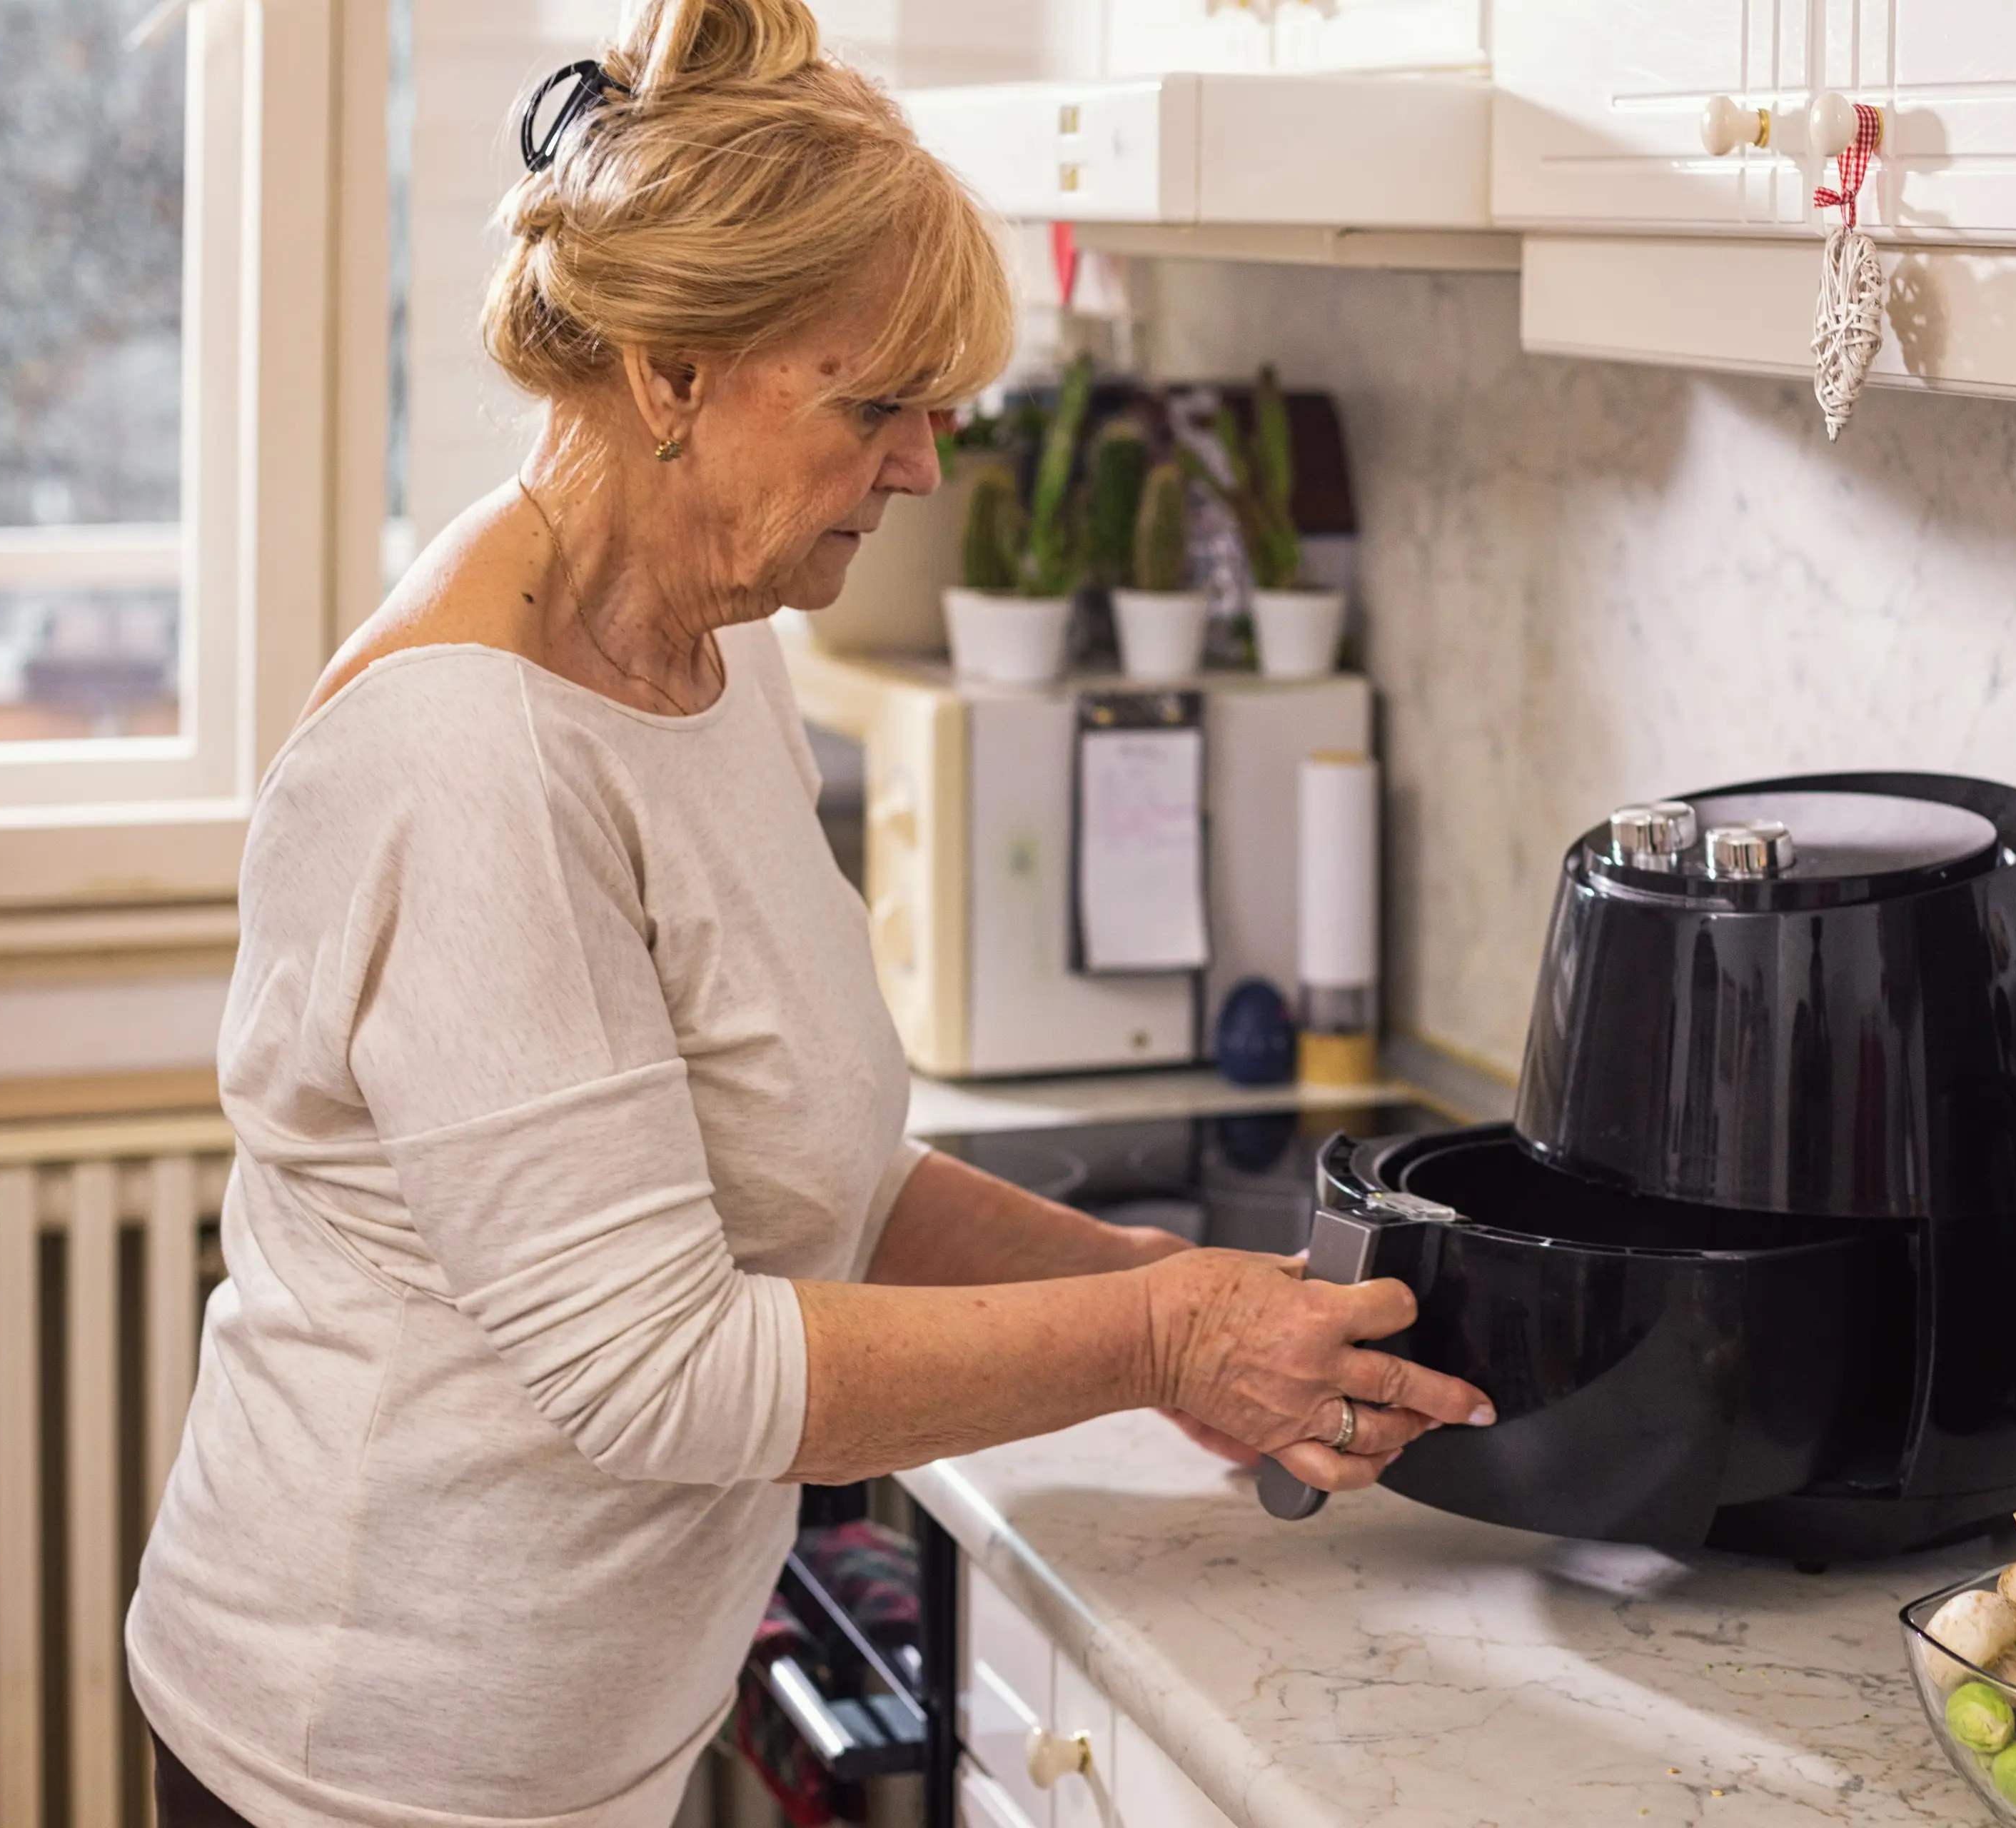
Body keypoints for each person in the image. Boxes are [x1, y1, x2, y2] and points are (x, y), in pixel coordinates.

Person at [122, 4, 1491, 1819]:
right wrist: (1160, 1339)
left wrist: (1153, 1288)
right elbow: (663, 1369)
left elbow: (825, 1174)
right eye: (877, 406)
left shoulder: (709, 643)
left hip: (589, 1743)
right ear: (672, 375)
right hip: (359, 1761)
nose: (922, 462)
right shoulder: (464, 755)